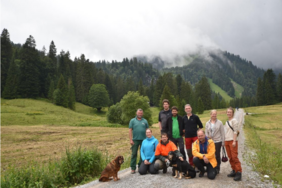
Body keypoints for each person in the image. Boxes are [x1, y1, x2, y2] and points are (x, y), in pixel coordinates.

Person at [129, 109, 149, 174]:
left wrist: (148, 139)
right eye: (138, 113)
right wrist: (130, 139)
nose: (140, 114)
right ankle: (133, 168)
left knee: (142, 154)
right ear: (136, 113)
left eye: (141, 113)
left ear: (142, 114)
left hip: (143, 140)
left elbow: (147, 130)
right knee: (134, 154)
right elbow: (130, 130)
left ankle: (140, 166)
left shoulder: (145, 121)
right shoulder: (132, 121)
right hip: (135, 140)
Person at [225, 107, 242, 181]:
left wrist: (234, 141)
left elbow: (235, 131)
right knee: (230, 157)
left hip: (232, 140)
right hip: (227, 140)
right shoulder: (226, 122)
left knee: (234, 157)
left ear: (233, 113)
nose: (229, 113)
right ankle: (233, 170)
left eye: (230, 112)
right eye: (228, 112)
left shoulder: (234, 121)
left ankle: (238, 172)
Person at [205, 109, 225, 173]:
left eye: (215, 114)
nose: (214, 115)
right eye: (213, 114)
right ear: (210, 115)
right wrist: (207, 138)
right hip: (210, 142)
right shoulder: (207, 123)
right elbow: (206, 133)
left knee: (217, 155)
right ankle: (211, 167)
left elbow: (222, 133)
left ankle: (217, 167)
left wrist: (223, 142)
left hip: (218, 141)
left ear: (216, 115)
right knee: (210, 154)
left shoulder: (220, 122)